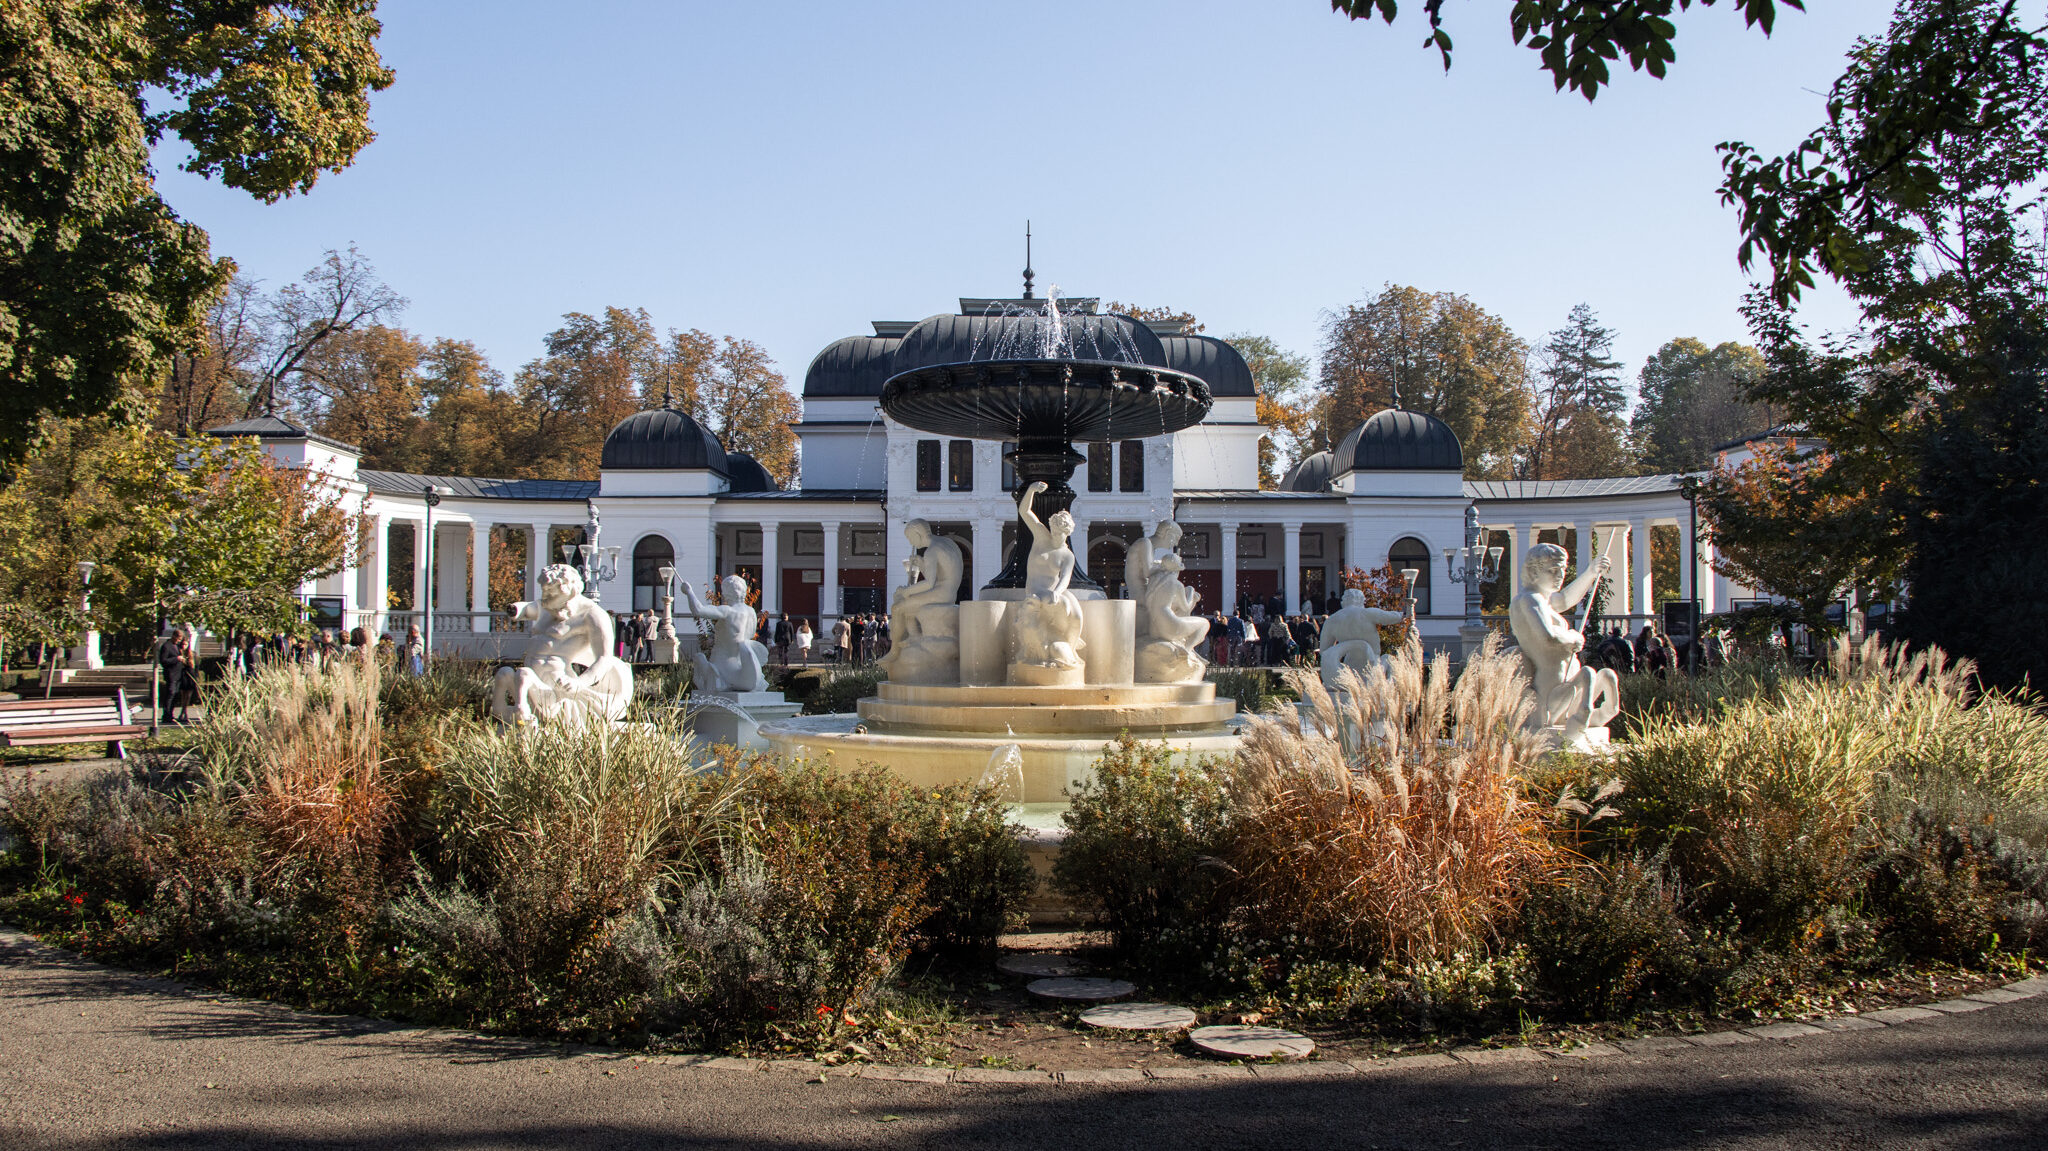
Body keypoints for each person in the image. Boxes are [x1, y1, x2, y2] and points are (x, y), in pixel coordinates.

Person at [157, 631, 192, 725]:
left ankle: (171, 714)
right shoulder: (166, 646)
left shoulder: (177, 646)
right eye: (178, 639)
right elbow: (163, 660)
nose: (179, 641)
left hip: (178, 675)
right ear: (174, 636)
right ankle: (166, 715)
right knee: (170, 694)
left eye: (180, 639)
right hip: (171, 674)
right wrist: (176, 659)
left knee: (175, 695)